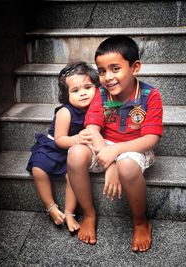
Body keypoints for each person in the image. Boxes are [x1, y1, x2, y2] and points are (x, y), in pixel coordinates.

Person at [67, 35, 163, 251]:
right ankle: (89, 213)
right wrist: (110, 162)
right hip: (105, 144)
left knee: (127, 166)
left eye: (115, 69)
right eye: (102, 71)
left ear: (135, 67)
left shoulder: (150, 96)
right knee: (75, 154)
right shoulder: (101, 95)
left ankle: (140, 222)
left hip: (135, 146)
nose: (107, 77)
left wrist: (117, 154)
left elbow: (150, 139)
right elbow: (92, 129)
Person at [26, 61, 100, 232]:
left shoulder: (97, 109)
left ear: (97, 88)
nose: (82, 94)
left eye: (87, 87)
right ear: (66, 96)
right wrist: (76, 139)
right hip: (55, 146)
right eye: (75, 91)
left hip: (73, 152)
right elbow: (60, 139)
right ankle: (50, 206)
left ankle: (69, 212)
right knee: (38, 169)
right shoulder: (65, 112)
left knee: (71, 177)